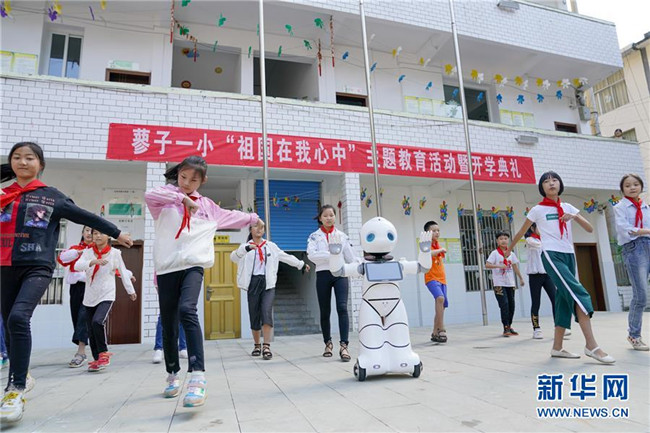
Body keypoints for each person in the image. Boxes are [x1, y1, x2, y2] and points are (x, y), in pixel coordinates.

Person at [0, 142, 133, 423]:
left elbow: (86, 216)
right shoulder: (3, 195)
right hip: (4, 266)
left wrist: (116, 232)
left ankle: (15, 390)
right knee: (9, 323)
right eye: (17, 157)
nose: (23, 162)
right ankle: (21, 374)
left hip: (36, 266)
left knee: (18, 317)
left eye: (29, 158)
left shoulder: (51, 197)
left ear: (40, 164)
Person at [145, 155, 258, 407]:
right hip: (167, 268)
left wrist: (253, 218)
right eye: (183, 177)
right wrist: (181, 199)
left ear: (203, 181)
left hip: (193, 266)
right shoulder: (164, 198)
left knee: (187, 310)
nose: (186, 183)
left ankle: (198, 377)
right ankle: (172, 373)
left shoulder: (208, 206)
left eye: (193, 180)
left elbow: (230, 216)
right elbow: (149, 195)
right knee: (169, 323)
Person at [509, 171, 615, 363]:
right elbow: (521, 232)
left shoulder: (568, 207)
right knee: (579, 294)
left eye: (554, 180)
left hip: (569, 255)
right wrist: (507, 251)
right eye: (546, 181)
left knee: (563, 300)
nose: (551, 183)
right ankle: (592, 346)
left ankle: (557, 347)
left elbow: (589, 229)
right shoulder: (537, 210)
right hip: (551, 254)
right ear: (541, 187)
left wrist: (573, 216)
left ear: (560, 184)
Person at [231, 219, 310, 360]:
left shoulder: (271, 246)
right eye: (256, 226)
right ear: (250, 229)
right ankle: (257, 345)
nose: (259, 229)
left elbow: (285, 257)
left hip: (268, 284)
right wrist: (246, 249)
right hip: (253, 283)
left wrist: (301, 264)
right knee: (254, 314)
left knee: (266, 312)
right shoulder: (245, 247)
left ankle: (266, 346)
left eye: (262, 227)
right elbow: (233, 257)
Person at [75, 229, 137, 372]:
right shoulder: (88, 252)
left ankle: (103, 353)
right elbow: (77, 266)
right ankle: (97, 359)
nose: (97, 236)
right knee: (91, 328)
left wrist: (130, 290)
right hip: (90, 295)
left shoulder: (115, 253)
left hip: (106, 294)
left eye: (101, 233)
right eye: (95, 233)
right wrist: (92, 261)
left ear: (108, 235)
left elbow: (123, 272)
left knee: (97, 321)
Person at [307, 204, 357, 361]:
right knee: (325, 310)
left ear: (335, 217)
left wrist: (359, 267)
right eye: (325, 215)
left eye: (331, 215)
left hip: (340, 274)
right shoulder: (314, 236)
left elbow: (351, 257)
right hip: (323, 275)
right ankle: (327, 343)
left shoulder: (342, 236)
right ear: (320, 218)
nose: (329, 218)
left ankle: (344, 346)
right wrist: (332, 255)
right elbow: (311, 255)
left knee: (342, 307)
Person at [613, 173, 649, 351]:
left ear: (641, 186)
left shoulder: (646, 207)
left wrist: (644, 232)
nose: (632, 187)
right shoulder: (620, 207)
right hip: (634, 249)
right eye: (627, 185)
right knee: (640, 295)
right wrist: (645, 231)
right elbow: (625, 230)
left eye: (635, 184)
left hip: (648, 244)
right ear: (622, 189)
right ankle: (634, 335)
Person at [57, 226, 93, 368]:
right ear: (82, 233)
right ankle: (86, 349)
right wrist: (76, 253)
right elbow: (61, 259)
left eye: (93, 231)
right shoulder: (75, 249)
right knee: (77, 317)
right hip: (76, 287)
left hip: (91, 287)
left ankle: (81, 352)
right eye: (87, 230)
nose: (89, 233)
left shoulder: (97, 250)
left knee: (83, 317)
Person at [486, 232, 525, 337]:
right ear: (497, 241)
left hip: (510, 283)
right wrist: (499, 266)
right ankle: (505, 327)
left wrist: (521, 278)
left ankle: (509, 326)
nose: (503, 240)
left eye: (505, 238)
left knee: (512, 305)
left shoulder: (511, 254)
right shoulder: (495, 253)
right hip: (499, 284)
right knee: (504, 305)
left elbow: (515, 266)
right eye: (501, 239)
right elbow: (487, 265)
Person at [524, 223, 556, 339]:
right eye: (539, 227)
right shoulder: (530, 240)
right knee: (536, 302)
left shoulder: (545, 240)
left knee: (555, 299)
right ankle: (536, 328)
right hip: (535, 275)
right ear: (532, 228)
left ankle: (559, 326)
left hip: (547, 274)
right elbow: (541, 246)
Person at [423, 220, 449, 343]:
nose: (437, 233)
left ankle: (435, 332)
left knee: (441, 306)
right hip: (431, 278)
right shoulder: (425, 244)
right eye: (434, 231)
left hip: (442, 279)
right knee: (440, 298)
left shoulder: (437, 245)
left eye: (438, 230)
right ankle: (441, 328)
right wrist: (440, 250)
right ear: (427, 233)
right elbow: (427, 254)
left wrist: (440, 249)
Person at [153, 273, 188, 363]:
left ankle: (183, 347)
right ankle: (159, 348)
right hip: (165, 280)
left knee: (182, 314)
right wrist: (157, 284)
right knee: (163, 316)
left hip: (181, 281)